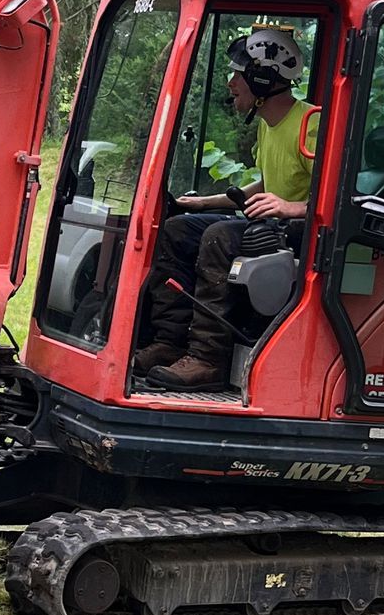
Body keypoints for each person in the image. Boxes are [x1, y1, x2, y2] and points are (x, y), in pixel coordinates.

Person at [134, 27, 317, 389]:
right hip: (273, 222)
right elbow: (266, 184)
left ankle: (208, 359)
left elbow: (335, 194)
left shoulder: (310, 124)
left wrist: (290, 207)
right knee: (178, 229)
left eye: (238, 74)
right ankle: (170, 342)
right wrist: (201, 202)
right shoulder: (269, 126)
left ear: (263, 79)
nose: (231, 83)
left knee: (220, 236)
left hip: (300, 230)